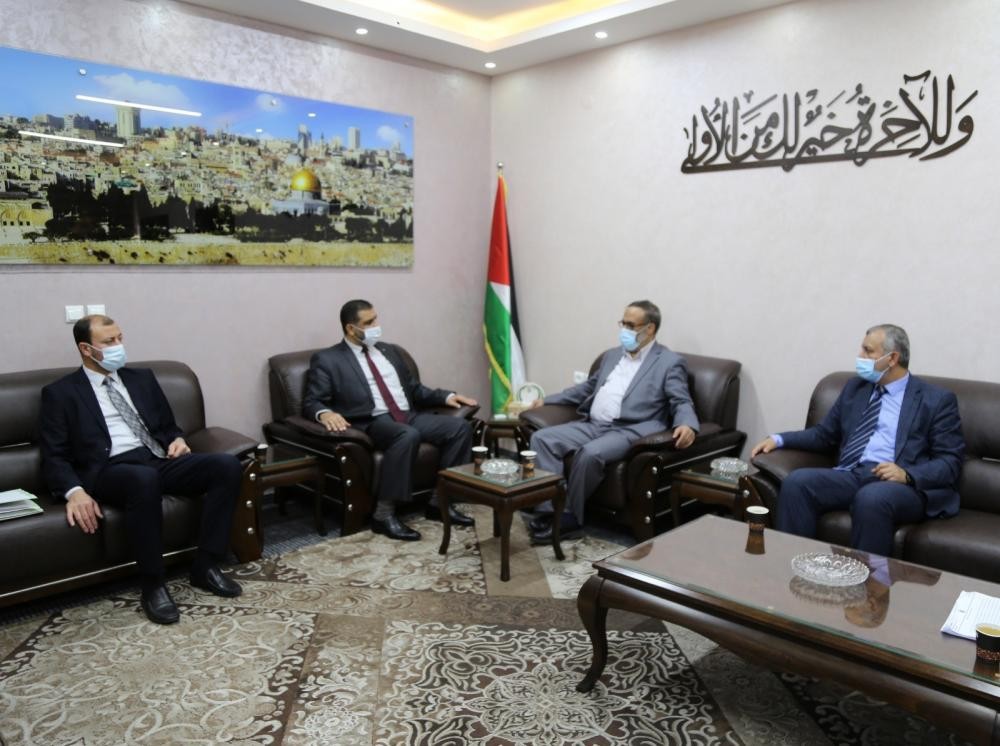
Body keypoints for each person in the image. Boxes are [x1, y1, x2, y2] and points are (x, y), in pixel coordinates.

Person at [39, 315, 244, 625]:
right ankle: (153, 584)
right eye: (109, 342)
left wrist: (177, 440)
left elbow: (168, 426)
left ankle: (206, 565)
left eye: (120, 338)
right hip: (110, 469)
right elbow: (54, 455)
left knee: (225, 465)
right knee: (142, 478)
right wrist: (74, 491)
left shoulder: (142, 379)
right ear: (86, 349)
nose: (118, 346)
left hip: (156, 459)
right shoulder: (61, 393)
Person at [751, 324, 965, 557]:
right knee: (797, 483)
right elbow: (824, 434)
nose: (860, 356)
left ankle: (868, 580)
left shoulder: (935, 400)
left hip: (901, 485)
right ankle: (793, 567)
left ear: (892, 358)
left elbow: (950, 462)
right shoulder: (856, 388)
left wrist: (906, 474)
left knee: (872, 498)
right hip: (853, 474)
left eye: (868, 351)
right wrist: (779, 439)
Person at [302, 299, 477, 542]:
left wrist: (447, 396)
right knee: (407, 435)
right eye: (369, 322)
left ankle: (440, 503)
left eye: (376, 319)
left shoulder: (389, 351)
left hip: (407, 415)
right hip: (371, 421)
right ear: (351, 328)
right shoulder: (328, 359)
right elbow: (312, 401)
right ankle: (383, 515)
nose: (376, 326)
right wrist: (325, 413)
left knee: (460, 428)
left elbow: (414, 389)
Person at [526, 300, 699, 544]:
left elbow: (680, 400)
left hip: (631, 429)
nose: (624, 330)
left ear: (650, 329)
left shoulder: (669, 361)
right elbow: (587, 388)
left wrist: (687, 425)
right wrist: (547, 400)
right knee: (542, 439)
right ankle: (548, 512)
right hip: (594, 425)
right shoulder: (612, 355)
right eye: (622, 324)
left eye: (631, 325)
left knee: (589, 454)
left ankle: (567, 519)